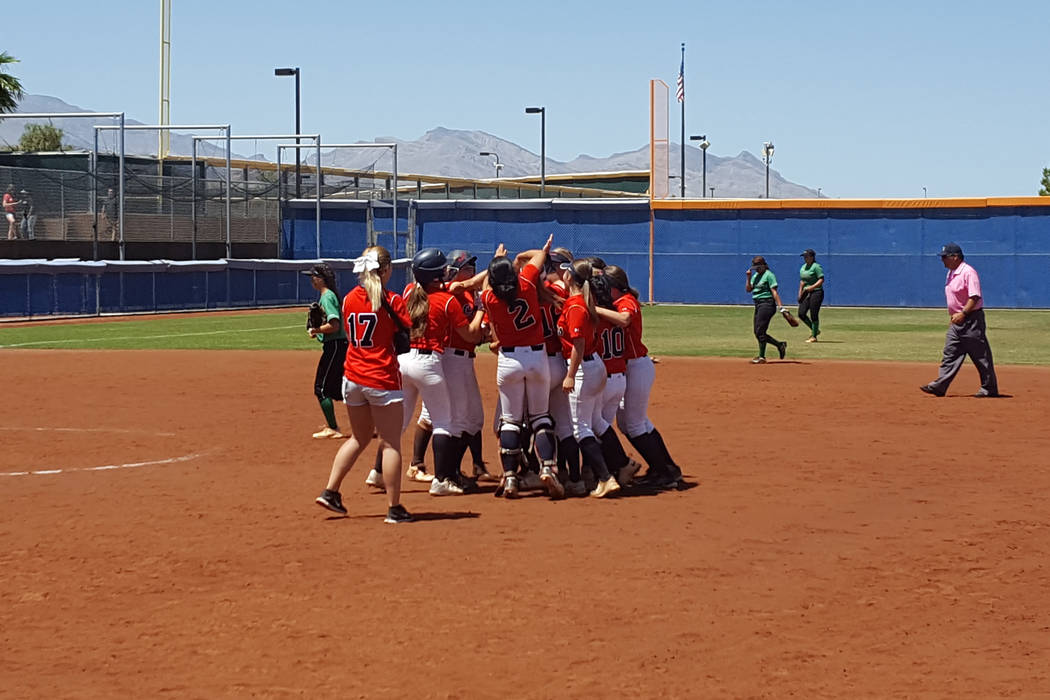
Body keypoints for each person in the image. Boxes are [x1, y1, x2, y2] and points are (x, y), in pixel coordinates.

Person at [315, 246, 413, 524]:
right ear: (385, 270)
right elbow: (407, 327)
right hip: (381, 376)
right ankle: (394, 508)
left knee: (358, 438)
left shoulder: (347, 299)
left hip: (353, 377)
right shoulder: (391, 300)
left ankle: (331, 490)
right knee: (391, 443)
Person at [477, 235, 564, 499]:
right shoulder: (526, 283)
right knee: (540, 417)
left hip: (509, 360)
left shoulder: (490, 298)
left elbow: (485, 285)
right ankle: (548, 468)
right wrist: (525, 256)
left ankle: (511, 477)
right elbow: (539, 255)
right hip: (537, 358)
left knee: (511, 421)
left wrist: (496, 260)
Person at [596, 265, 683, 489]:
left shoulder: (626, 301)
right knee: (631, 423)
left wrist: (593, 308)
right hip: (630, 367)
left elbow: (624, 319)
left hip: (636, 366)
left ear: (614, 287)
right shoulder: (618, 300)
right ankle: (666, 468)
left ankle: (664, 472)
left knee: (634, 424)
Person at [557, 258, 621, 498]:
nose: (563, 274)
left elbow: (578, 344)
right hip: (595, 367)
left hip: (583, 369)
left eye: (566, 272)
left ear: (571, 278)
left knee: (579, 427)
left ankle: (606, 477)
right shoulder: (582, 301)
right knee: (596, 422)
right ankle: (620, 465)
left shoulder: (576, 306)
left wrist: (570, 376)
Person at [920, 242, 999, 398]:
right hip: (957, 320)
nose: (942, 260)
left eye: (945, 257)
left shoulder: (968, 272)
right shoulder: (951, 272)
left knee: (980, 356)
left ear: (955, 257)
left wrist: (963, 313)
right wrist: (956, 316)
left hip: (971, 319)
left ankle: (989, 388)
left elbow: (974, 296)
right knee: (950, 353)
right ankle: (940, 386)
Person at [303, 263, 349, 439]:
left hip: (335, 346)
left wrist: (316, 330)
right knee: (341, 389)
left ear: (320, 279)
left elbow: (334, 325)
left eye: (313, 276)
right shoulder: (328, 295)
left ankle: (333, 428)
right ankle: (371, 424)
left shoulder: (327, 297)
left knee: (321, 389)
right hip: (338, 345)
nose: (311, 280)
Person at [745, 256, 788, 364]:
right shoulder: (755, 276)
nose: (756, 269)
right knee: (757, 332)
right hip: (758, 305)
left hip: (767, 304)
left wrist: (781, 307)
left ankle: (762, 357)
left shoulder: (769, 275)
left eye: (758, 267)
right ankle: (779, 345)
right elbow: (748, 289)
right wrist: (749, 278)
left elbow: (774, 291)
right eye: (755, 267)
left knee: (760, 331)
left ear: (763, 265)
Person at [797, 249, 824, 342]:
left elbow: (821, 280)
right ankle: (815, 330)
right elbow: (802, 282)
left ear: (812, 257)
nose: (805, 258)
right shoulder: (803, 267)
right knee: (801, 313)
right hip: (806, 292)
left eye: (807, 256)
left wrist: (812, 287)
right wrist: (800, 293)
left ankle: (814, 336)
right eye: (804, 256)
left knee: (814, 314)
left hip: (816, 292)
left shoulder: (816, 267)